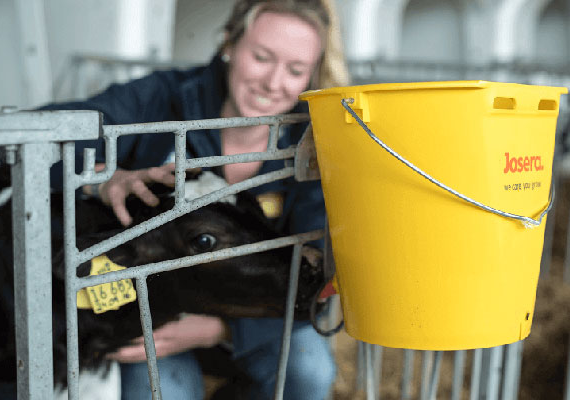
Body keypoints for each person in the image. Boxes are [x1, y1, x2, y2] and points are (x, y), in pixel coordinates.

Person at [43, 0, 349, 398]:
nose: (273, 83)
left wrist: (218, 329)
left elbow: (318, 275)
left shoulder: (315, 142)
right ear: (229, 45)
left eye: (295, 70)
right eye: (261, 57)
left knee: (309, 369)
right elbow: (42, 134)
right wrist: (101, 177)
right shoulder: (164, 99)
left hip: (255, 317)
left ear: (311, 75)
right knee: (163, 390)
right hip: (155, 316)